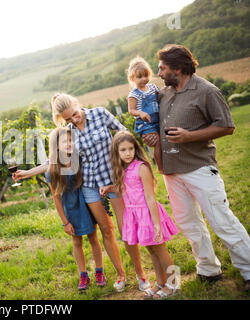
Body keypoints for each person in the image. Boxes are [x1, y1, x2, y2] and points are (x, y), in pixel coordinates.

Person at [14, 93, 151, 293]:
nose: (73, 120)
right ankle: (121, 274)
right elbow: (54, 160)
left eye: (75, 114)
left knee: (126, 230)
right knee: (106, 230)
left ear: (78, 105)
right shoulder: (68, 132)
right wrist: (26, 173)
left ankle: (140, 274)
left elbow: (124, 135)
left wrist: (133, 165)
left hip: (113, 180)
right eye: (68, 119)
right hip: (89, 186)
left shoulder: (100, 114)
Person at [143, 44, 250, 291]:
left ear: (178, 68)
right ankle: (208, 270)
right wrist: (152, 137)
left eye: (162, 68)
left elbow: (226, 126)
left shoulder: (206, 91)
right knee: (190, 224)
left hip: (200, 169)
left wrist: (190, 136)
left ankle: (248, 271)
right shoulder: (165, 92)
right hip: (172, 172)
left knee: (223, 221)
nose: (158, 73)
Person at [101, 131, 179, 299]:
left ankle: (173, 284)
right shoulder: (123, 169)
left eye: (130, 149)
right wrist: (110, 188)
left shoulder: (141, 167)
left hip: (148, 214)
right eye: (123, 150)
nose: (127, 153)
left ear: (135, 149)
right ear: (117, 153)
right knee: (151, 250)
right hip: (134, 215)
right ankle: (160, 282)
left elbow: (150, 198)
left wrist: (156, 224)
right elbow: (126, 188)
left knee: (160, 249)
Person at [46, 127, 107, 291]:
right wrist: (65, 222)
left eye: (71, 140)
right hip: (72, 209)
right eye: (65, 141)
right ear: (56, 146)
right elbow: (57, 199)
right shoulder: (52, 171)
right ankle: (83, 275)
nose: (69, 143)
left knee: (93, 238)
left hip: (87, 203)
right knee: (76, 241)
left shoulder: (79, 158)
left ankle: (99, 271)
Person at [127, 56, 162, 172]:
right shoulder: (134, 94)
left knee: (165, 141)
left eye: (146, 75)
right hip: (145, 123)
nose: (144, 79)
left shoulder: (152, 88)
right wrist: (140, 112)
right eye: (140, 77)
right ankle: (161, 167)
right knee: (157, 143)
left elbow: (161, 97)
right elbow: (131, 110)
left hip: (158, 119)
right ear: (132, 78)